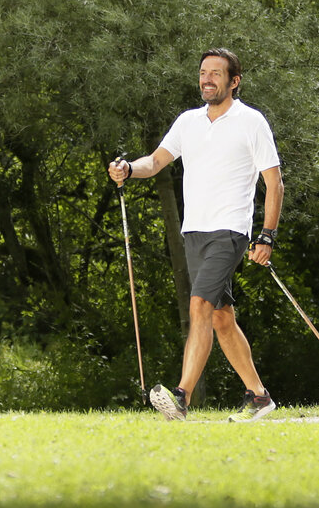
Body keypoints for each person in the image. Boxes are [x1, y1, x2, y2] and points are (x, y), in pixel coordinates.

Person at [109, 48, 282, 422]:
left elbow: (274, 181)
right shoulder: (188, 121)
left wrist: (267, 235)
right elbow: (155, 162)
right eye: (204, 72)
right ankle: (259, 396)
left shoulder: (251, 121)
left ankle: (181, 397)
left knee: (199, 306)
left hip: (230, 230)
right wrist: (127, 168)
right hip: (194, 232)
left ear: (234, 81)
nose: (207, 79)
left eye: (216, 74)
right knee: (220, 316)